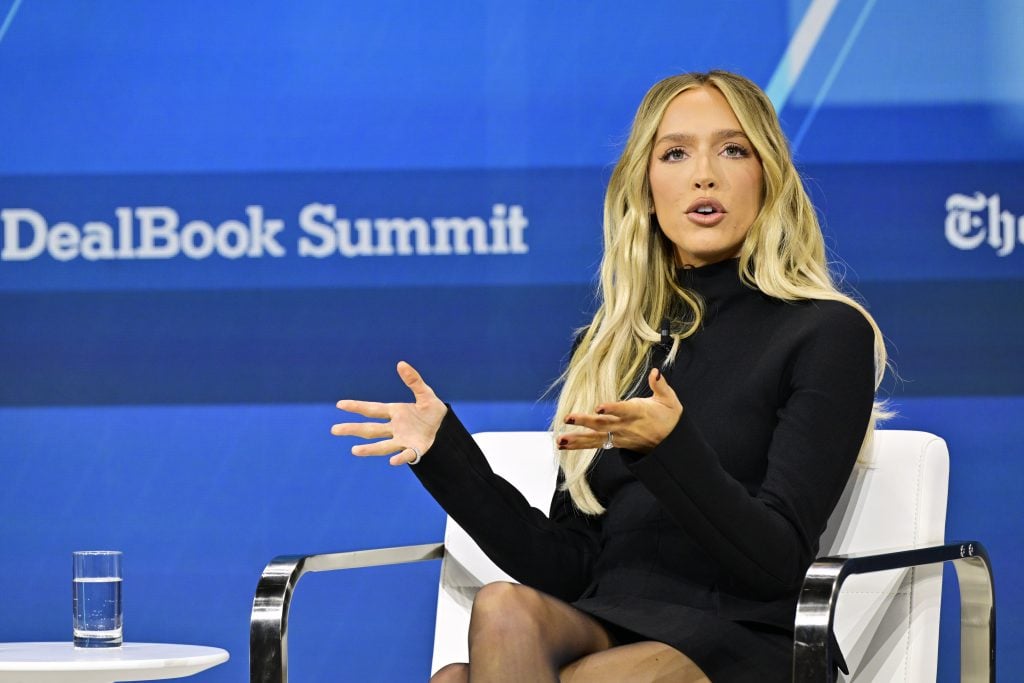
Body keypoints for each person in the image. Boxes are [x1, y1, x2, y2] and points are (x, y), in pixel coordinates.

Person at [332, 70, 887, 682]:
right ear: (647, 188)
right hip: (608, 620)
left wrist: (670, 448)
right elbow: (568, 566)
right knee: (502, 608)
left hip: (745, 633)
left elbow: (777, 561)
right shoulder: (613, 346)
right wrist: (445, 456)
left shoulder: (826, 333)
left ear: (768, 177)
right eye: (675, 153)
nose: (705, 173)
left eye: (733, 149)